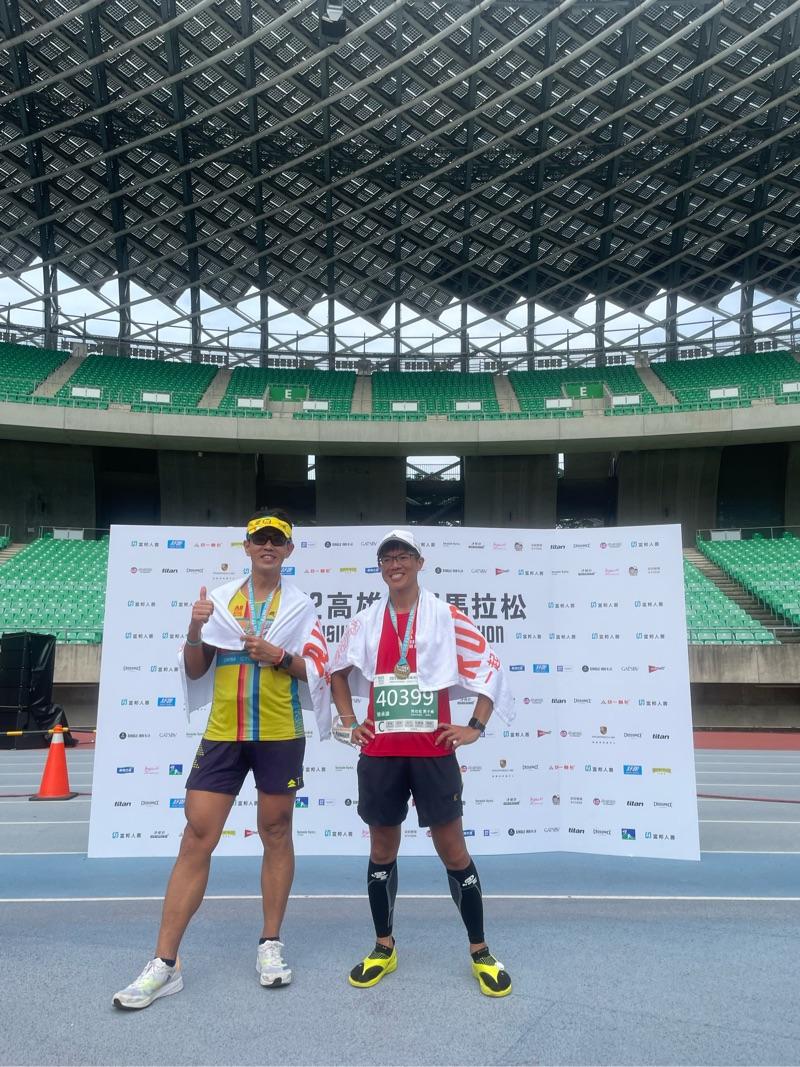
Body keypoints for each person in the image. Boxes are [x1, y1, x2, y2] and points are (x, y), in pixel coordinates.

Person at [113, 508, 330, 1010]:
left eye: (277, 540)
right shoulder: (223, 601)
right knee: (197, 835)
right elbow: (195, 669)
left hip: (279, 733)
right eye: (260, 539)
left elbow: (316, 670)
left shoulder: (301, 607)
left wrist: (279, 657)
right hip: (224, 734)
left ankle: (270, 943)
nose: (268, 547)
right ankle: (165, 963)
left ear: (289, 550)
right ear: (247, 547)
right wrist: (194, 629)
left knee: (276, 832)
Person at [330, 529, 513, 997]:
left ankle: (481, 951)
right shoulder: (366, 621)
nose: (395, 564)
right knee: (381, 851)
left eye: (403, 556)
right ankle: (383, 947)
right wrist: (349, 723)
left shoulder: (445, 617)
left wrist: (475, 726)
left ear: (419, 561)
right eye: (387, 558)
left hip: (433, 753)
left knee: (453, 850)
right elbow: (337, 672)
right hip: (381, 754)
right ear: (381, 567)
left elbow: (491, 667)